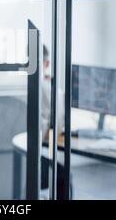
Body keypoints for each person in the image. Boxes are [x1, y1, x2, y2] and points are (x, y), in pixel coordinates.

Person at [40, 45, 69, 199]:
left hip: (18, 155)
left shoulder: (23, 84)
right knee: (64, 176)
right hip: (36, 157)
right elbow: (56, 128)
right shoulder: (49, 89)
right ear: (47, 64)